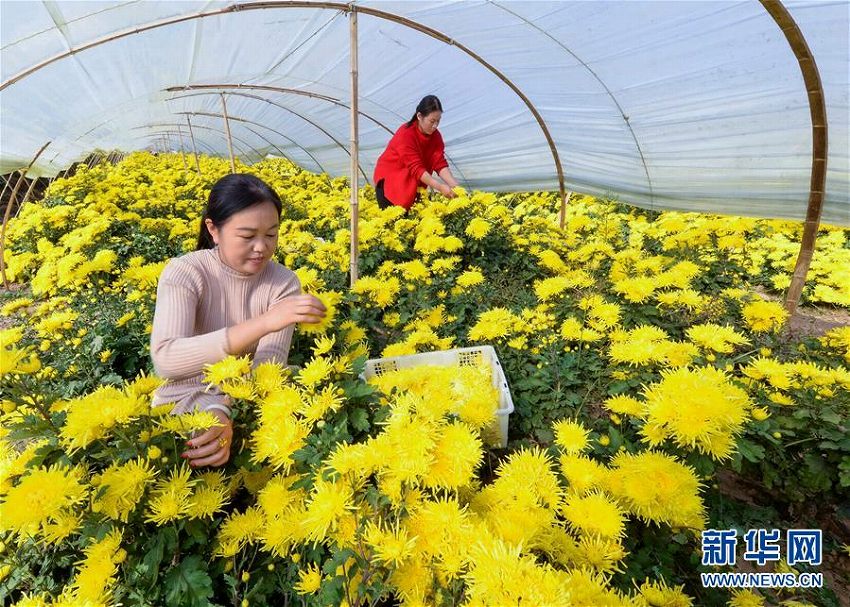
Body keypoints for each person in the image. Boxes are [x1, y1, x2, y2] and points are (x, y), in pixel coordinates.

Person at [150, 174, 326, 468]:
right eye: (247, 236)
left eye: (271, 234)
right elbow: (167, 360)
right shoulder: (185, 272)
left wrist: (223, 406)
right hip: (182, 400)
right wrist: (265, 323)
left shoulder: (283, 283)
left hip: (247, 401)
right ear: (213, 229)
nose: (262, 247)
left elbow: (268, 371)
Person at [373, 95, 460, 211]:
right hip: (391, 185)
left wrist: (455, 186)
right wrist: (440, 187)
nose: (435, 126)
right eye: (432, 121)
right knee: (394, 224)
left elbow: (439, 162)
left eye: (438, 121)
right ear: (419, 116)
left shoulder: (436, 136)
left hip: (412, 186)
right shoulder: (406, 134)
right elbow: (416, 168)